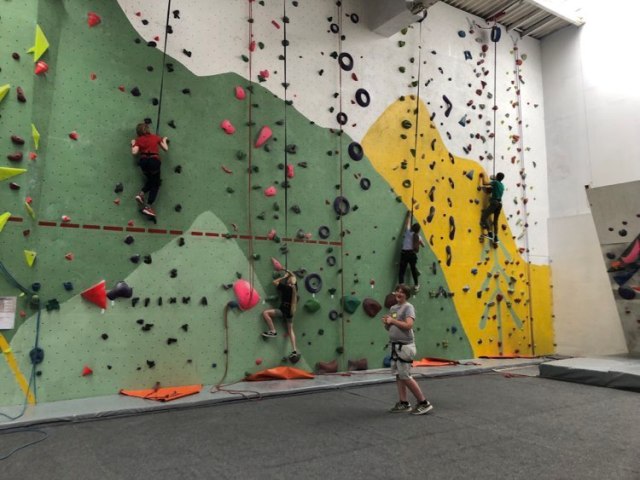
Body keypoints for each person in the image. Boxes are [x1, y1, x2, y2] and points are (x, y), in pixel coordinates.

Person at [382, 284, 433, 415]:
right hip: (395, 346)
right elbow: (391, 326)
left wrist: (392, 321)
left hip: (405, 347)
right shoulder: (393, 308)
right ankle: (403, 403)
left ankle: (423, 402)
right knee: (399, 375)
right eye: (397, 291)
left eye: (402, 292)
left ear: (406, 295)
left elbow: (408, 325)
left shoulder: (408, 307)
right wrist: (387, 323)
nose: (398, 294)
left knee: (405, 375)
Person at [130, 122, 169, 217]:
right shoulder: (155, 137)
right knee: (156, 184)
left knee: (151, 180)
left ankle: (141, 194)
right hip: (154, 161)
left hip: (143, 162)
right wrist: (164, 139)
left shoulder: (139, 140)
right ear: (148, 129)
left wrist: (133, 143)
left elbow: (134, 152)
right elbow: (165, 149)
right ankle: (148, 206)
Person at [261, 270, 300, 362]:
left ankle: (273, 331)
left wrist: (284, 276)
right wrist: (288, 272)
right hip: (290, 312)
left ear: (289, 280)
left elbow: (274, 282)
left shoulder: (286, 288)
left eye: (288, 279)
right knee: (290, 330)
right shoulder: (295, 289)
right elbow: (294, 278)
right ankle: (294, 350)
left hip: (283, 310)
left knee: (265, 313)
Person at [399, 211, 425, 293]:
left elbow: (407, 223)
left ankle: (401, 286)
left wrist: (409, 215)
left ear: (412, 227)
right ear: (418, 230)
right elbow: (423, 245)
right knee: (413, 270)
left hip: (404, 253)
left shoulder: (407, 232)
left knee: (402, 270)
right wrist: (419, 242)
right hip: (412, 254)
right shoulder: (418, 236)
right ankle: (416, 285)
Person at [479, 172, 505, 240]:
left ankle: (490, 233)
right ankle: (496, 237)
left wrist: (482, 176)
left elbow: (485, 183)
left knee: (484, 217)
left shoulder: (495, 182)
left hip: (494, 203)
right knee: (495, 221)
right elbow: (496, 190)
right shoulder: (502, 186)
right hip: (499, 204)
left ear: (496, 176)